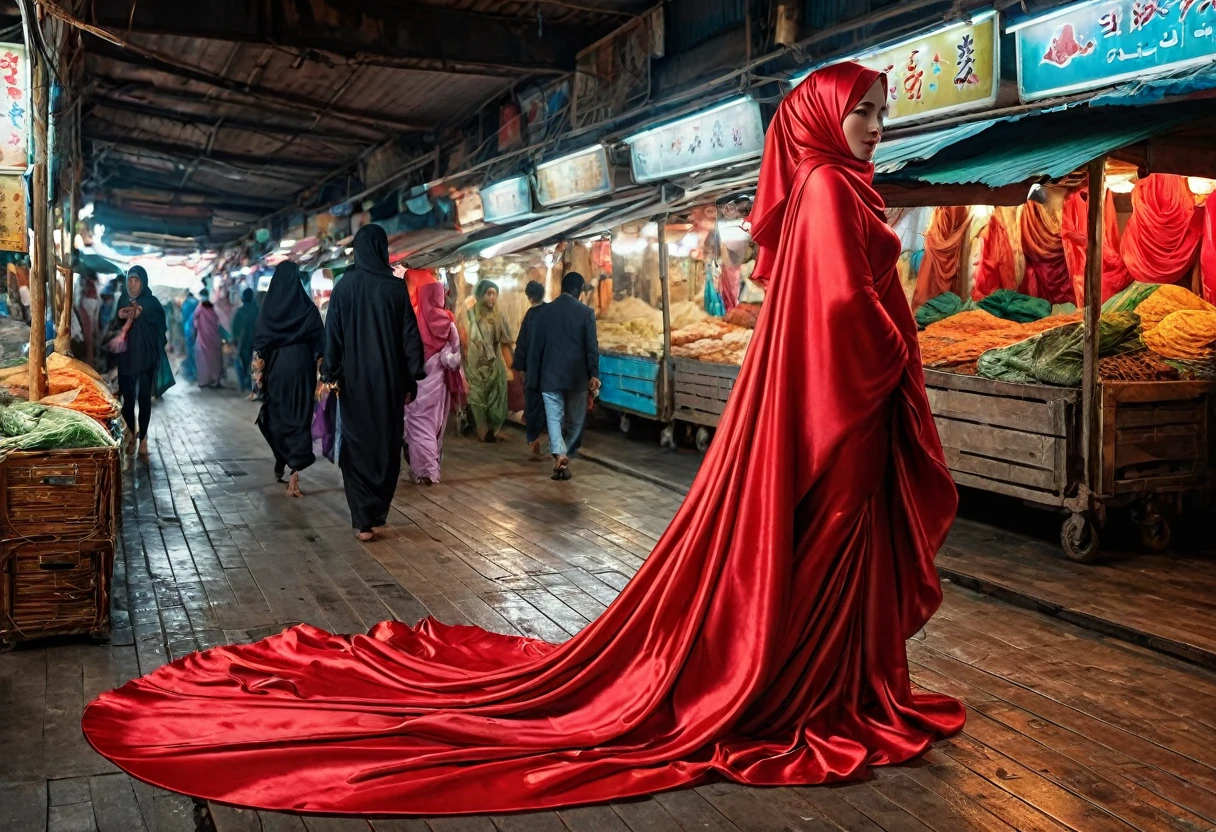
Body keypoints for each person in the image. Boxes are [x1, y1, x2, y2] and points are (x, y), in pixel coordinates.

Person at [81, 63, 964, 816]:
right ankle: (814, 688)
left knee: (368, 452)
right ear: (821, 118)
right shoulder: (826, 191)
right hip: (840, 407)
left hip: (831, 408)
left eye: (882, 114)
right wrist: (900, 344)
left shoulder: (831, 189)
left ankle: (826, 687)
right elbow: (844, 314)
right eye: (866, 112)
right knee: (826, 542)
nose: (878, 130)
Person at [321, 224, 425, 541]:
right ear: (382, 249)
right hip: (389, 384)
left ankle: (363, 519)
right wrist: (412, 378)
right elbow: (410, 338)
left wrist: (330, 373)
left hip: (353, 383)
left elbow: (333, 336)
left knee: (356, 446)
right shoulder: (395, 289)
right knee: (386, 445)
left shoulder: (344, 287)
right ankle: (378, 512)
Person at [254, 262, 325, 498]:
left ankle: (284, 458)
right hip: (302, 371)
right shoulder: (307, 309)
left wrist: (259, 377)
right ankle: (293, 466)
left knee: (277, 416)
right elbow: (321, 343)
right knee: (300, 417)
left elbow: (260, 344)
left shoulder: (269, 309)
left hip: (277, 371)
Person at [527, 271, 599, 480]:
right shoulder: (586, 313)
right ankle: (565, 452)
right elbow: (591, 347)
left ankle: (559, 454)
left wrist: (533, 376)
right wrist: (594, 373)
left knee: (554, 418)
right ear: (580, 291)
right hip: (577, 377)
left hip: (549, 376)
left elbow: (535, 348)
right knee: (576, 420)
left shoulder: (544, 312)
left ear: (562, 288)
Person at [403, 282, 466, 485]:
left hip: (417, 384)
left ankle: (424, 472)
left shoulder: (413, 320)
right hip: (438, 386)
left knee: (416, 427)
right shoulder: (448, 322)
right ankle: (430, 469)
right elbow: (454, 359)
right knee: (433, 427)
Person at [112, 266, 168, 458]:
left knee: (144, 399)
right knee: (127, 402)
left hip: (145, 359)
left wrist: (140, 312)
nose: (132, 284)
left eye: (136, 280)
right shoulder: (122, 300)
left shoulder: (151, 302)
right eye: (129, 280)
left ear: (143, 282)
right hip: (126, 359)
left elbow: (161, 323)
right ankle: (130, 438)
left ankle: (143, 437)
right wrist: (123, 315)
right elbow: (115, 322)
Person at [461, 279, 514, 442]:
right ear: (481, 295)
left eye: (495, 294)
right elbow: (462, 340)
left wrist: (510, 364)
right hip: (474, 365)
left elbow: (505, 341)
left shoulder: (499, 317)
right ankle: (482, 430)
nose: (492, 297)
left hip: (494, 364)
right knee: (477, 397)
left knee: (496, 398)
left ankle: (495, 429)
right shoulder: (468, 317)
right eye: (489, 293)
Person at [513, 279, 547, 456]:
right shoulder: (551, 312)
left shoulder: (531, 316)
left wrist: (520, 367)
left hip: (534, 370)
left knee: (533, 404)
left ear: (529, 297)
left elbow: (522, 344)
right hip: (551, 370)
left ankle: (533, 439)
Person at [192, 289, 227, 388]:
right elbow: (221, 325)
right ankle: (215, 380)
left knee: (203, 361)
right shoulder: (215, 310)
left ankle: (203, 381)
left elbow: (194, 324)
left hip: (202, 341)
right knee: (215, 361)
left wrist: (194, 335)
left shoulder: (199, 309)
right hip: (214, 340)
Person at [231, 287, 259, 398]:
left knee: (242, 363)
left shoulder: (240, 311)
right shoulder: (258, 310)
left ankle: (244, 384)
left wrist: (234, 339)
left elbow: (235, 328)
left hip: (244, 342)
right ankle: (252, 385)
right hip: (257, 342)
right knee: (254, 364)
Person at [180, 290, 198, 382]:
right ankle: (198, 372)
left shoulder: (185, 304)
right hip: (197, 330)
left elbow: (182, 318)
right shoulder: (198, 303)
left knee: (190, 351)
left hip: (187, 329)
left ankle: (192, 373)